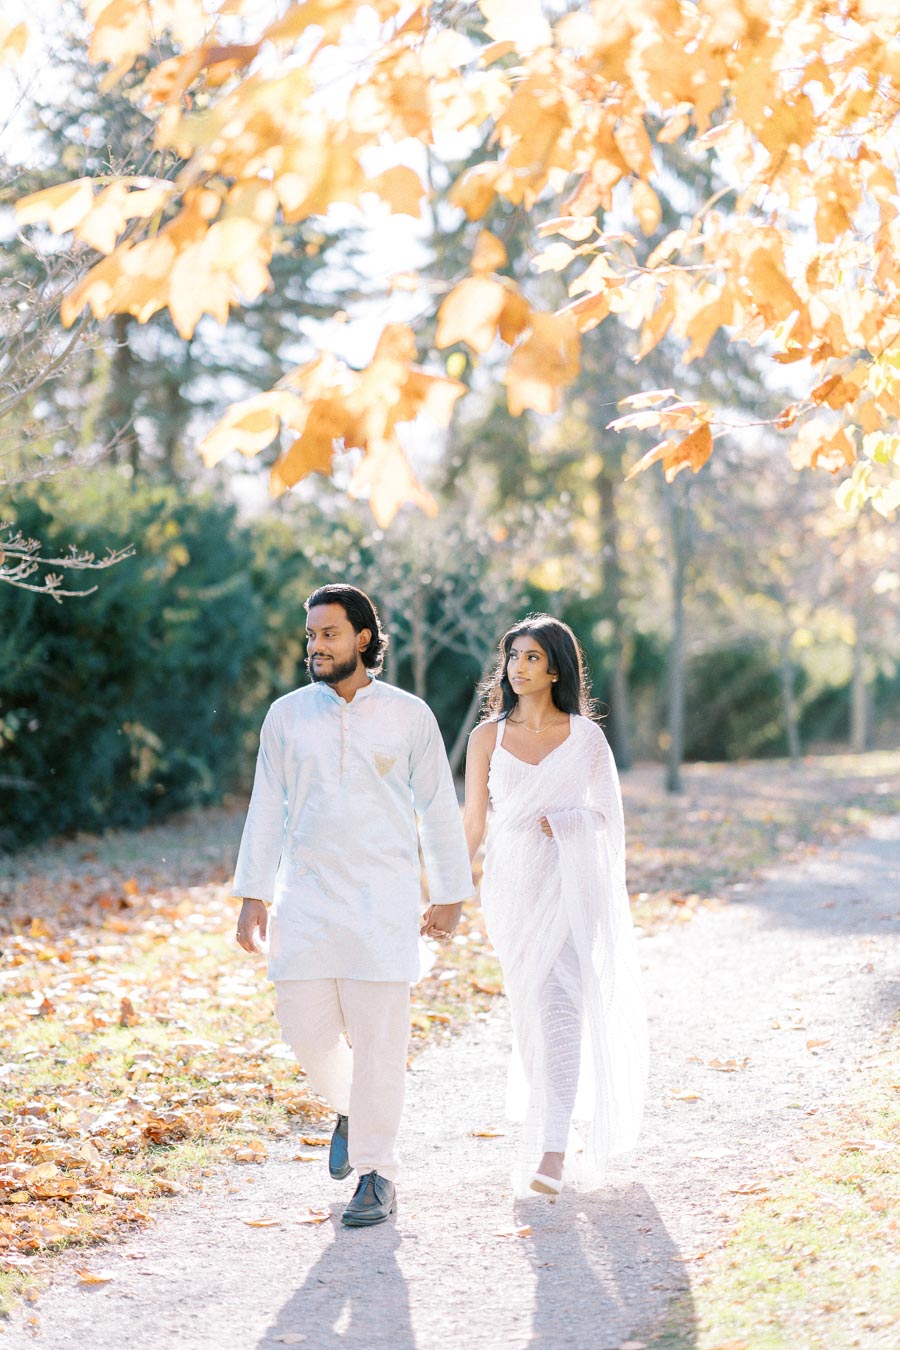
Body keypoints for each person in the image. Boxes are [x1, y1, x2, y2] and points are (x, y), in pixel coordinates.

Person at [234, 583, 472, 1227]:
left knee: (379, 1045)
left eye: (328, 634)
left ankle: (375, 1173)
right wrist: (252, 893)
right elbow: (265, 807)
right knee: (304, 1031)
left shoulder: (409, 715)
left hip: (382, 904)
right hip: (305, 900)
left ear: (363, 637)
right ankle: (349, 1105)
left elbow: (438, 810)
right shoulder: (286, 716)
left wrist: (450, 893)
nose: (315, 646)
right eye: (310, 636)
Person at [464, 614, 647, 1197]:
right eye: (513, 656)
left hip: (570, 882)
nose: (519, 668)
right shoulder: (485, 737)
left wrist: (567, 821)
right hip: (510, 885)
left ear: (556, 668)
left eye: (533, 658)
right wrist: (445, 889)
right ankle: (554, 1119)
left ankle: (553, 1151)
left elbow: (608, 819)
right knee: (531, 1009)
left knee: (561, 1000)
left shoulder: (585, 738)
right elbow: (472, 822)